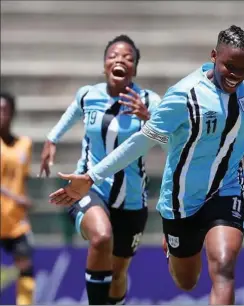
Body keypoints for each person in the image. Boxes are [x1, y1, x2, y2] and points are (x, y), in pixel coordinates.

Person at [48, 25, 244, 305]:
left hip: (226, 188)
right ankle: (174, 248)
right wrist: (91, 177)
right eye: (229, 66)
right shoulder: (184, 95)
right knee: (187, 281)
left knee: (223, 266)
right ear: (213, 56)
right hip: (181, 200)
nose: (235, 75)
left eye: (242, 68)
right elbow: (140, 142)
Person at [39, 35, 161, 305]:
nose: (120, 60)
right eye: (113, 56)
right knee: (101, 235)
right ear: (105, 64)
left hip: (131, 199)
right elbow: (71, 113)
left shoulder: (150, 101)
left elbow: (172, 140)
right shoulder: (88, 95)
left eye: (128, 57)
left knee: (118, 275)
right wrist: (51, 139)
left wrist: (150, 119)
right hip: (88, 187)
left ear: (135, 68)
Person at [0, 92, 36, 305]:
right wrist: (15, 197)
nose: (1, 114)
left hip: (16, 222)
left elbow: (22, 179)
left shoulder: (25, 144)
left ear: (12, 113)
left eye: (4, 110)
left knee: (26, 268)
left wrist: (23, 199)